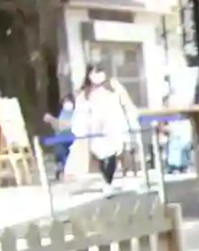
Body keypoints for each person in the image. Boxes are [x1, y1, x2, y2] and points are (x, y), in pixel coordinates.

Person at [70, 65, 138, 193]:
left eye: (101, 71)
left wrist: (131, 118)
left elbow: (126, 103)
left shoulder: (114, 86)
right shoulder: (86, 93)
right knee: (100, 155)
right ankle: (107, 180)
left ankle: (109, 181)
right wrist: (82, 128)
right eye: (96, 72)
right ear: (89, 75)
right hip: (95, 128)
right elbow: (80, 112)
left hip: (113, 124)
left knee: (113, 153)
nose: (99, 75)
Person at [42, 94, 74, 182]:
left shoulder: (74, 113)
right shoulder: (63, 113)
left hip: (71, 137)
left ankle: (65, 171)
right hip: (61, 137)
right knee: (59, 151)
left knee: (64, 150)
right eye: (65, 102)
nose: (66, 104)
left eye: (68, 101)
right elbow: (58, 126)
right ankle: (60, 169)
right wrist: (51, 121)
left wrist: (52, 119)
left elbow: (66, 125)